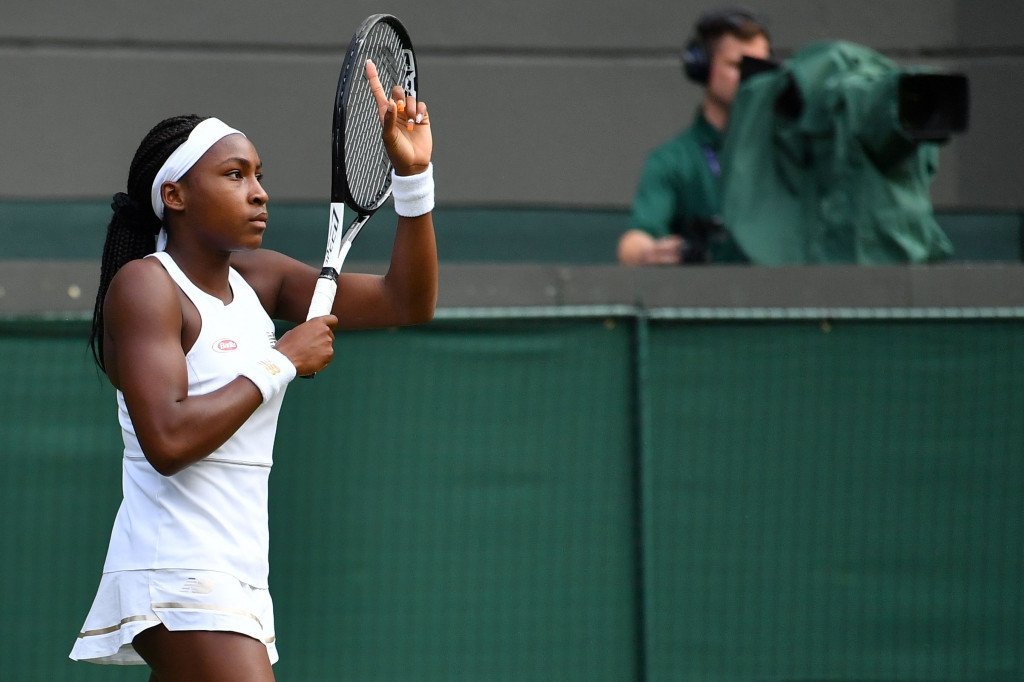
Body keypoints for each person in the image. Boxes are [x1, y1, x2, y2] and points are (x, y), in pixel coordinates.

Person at [69, 60, 436, 681]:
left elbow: (408, 301)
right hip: (178, 571)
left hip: (239, 574)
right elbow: (167, 440)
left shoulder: (261, 279)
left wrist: (414, 176)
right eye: (234, 175)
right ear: (174, 195)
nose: (259, 191)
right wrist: (280, 360)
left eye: (259, 175)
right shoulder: (146, 287)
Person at [618, 7, 771, 265]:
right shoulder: (674, 159)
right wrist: (651, 252)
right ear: (703, 68)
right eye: (737, 66)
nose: (750, 79)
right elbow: (634, 242)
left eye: (761, 67)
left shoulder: (787, 153)